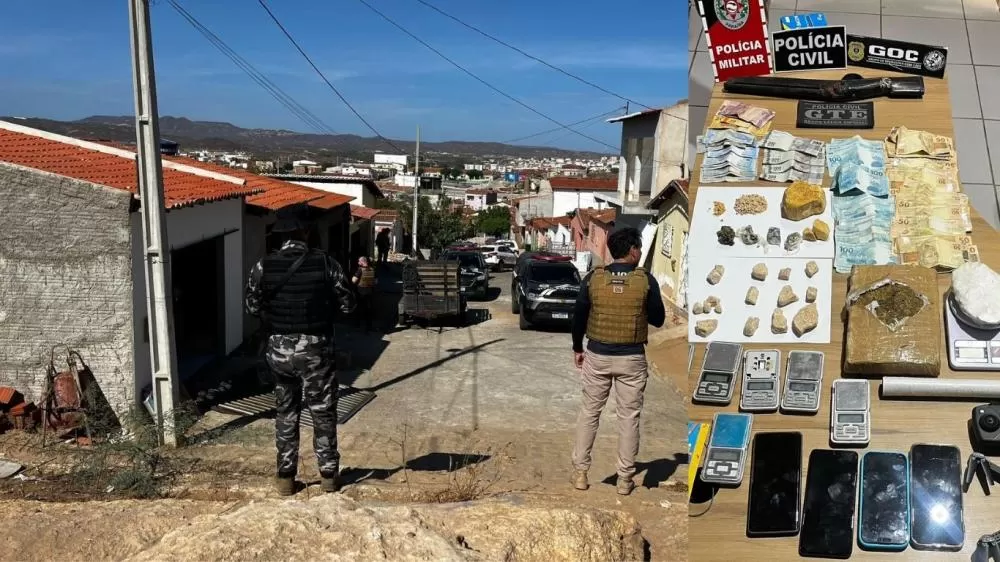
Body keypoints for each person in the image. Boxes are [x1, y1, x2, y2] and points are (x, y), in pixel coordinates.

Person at [245, 205, 356, 496]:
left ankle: (285, 478)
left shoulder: (263, 266)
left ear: (281, 234)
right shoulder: (326, 264)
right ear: (306, 232)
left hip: (279, 352)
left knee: (286, 412)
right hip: (316, 350)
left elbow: (252, 307)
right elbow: (348, 305)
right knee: (322, 412)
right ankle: (328, 477)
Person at [569, 226, 666, 496]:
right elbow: (658, 319)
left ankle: (581, 473)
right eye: (639, 247)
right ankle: (624, 479)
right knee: (629, 418)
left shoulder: (593, 278)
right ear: (632, 250)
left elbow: (579, 317)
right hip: (631, 358)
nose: (640, 252)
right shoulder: (646, 280)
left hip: (597, 355)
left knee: (589, 413)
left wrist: (577, 348)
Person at [351, 256, 377, 332]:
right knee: (368, 309)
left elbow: (354, 280)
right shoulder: (373, 269)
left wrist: (353, 278)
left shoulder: (360, 270)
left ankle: (357, 324)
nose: (358, 262)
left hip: (360, 292)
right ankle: (368, 326)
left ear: (362, 262)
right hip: (370, 292)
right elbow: (376, 282)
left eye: (359, 261)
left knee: (358, 308)